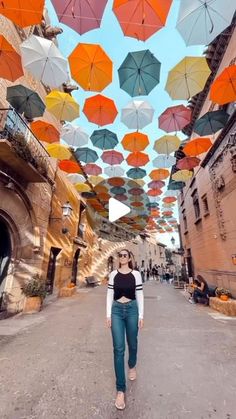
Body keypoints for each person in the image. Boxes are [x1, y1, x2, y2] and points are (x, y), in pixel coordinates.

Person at [106, 249, 144, 410]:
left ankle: (132, 364)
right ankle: (120, 389)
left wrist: (141, 315)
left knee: (132, 343)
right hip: (116, 310)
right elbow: (109, 295)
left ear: (129, 258)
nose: (122, 257)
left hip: (132, 309)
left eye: (125, 255)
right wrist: (108, 314)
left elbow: (140, 295)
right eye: (120, 255)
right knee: (118, 348)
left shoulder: (136, 275)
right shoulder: (113, 274)